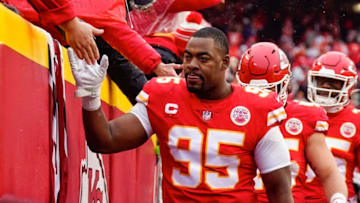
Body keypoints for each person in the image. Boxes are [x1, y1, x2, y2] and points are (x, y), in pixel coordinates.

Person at [68, 27, 293, 202]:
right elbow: (105, 140)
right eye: (188, 57)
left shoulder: (256, 108)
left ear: (224, 63)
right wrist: (90, 94)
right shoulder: (164, 95)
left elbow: (279, 189)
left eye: (203, 59)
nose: (191, 65)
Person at [237, 42, 348, 203]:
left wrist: (338, 199)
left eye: (267, 90)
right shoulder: (229, 111)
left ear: (285, 84)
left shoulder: (304, 117)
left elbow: (328, 172)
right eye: (252, 90)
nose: (259, 97)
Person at [304, 51, 360, 203]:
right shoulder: (297, 114)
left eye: (333, 82)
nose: (325, 86)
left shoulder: (356, 120)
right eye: (321, 80)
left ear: (348, 86)